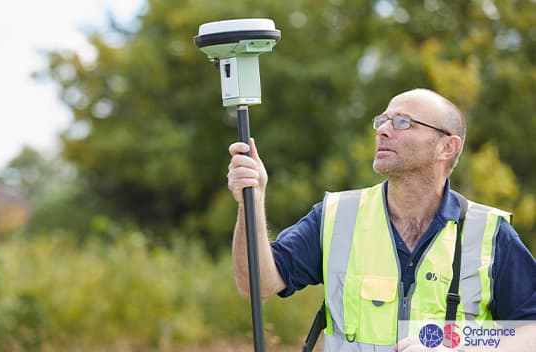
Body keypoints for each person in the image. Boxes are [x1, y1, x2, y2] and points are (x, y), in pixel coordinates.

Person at [227, 88, 536, 351]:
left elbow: (530, 331)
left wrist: (462, 347)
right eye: (383, 120)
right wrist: (251, 204)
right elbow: (256, 283)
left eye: (403, 122)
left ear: (447, 146)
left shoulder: (490, 233)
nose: (383, 130)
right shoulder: (337, 215)